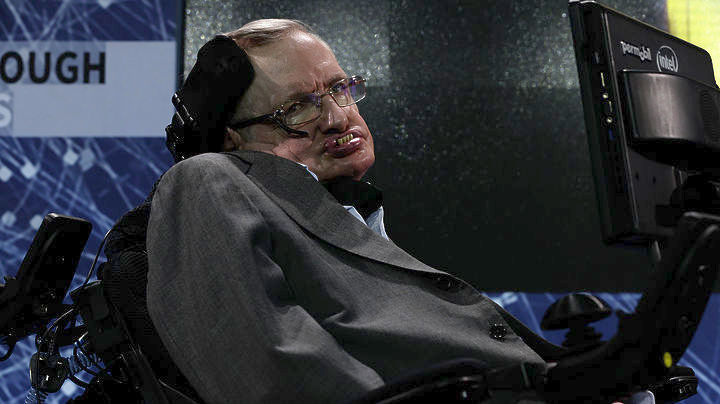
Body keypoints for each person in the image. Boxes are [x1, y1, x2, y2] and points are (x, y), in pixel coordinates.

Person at [144, 19, 637, 404]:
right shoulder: (205, 179)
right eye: (297, 109)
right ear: (233, 140)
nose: (338, 116)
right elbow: (272, 376)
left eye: (339, 88)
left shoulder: (350, 219)